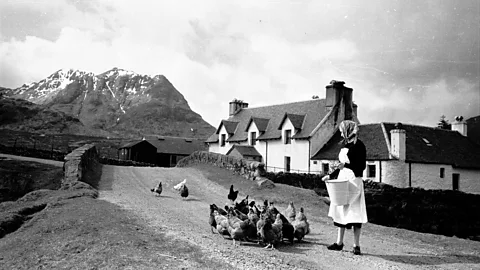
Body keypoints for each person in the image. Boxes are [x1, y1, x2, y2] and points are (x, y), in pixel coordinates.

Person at [322, 120, 367, 255]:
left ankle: (356, 245)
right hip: (342, 179)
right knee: (341, 209)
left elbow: (361, 167)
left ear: (348, 130)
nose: (341, 133)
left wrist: (345, 166)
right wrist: (330, 176)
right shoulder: (345, 145)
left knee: (355, 212)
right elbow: (341, 165)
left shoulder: (359, 146)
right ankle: (339, 243)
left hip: (354, 181)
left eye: (342, 131)